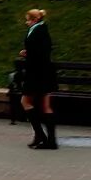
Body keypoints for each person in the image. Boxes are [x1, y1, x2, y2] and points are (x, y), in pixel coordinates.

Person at [19, 8, 58, 149]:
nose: (26, 22)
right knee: (46, 105)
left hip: (36, 73)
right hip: (46, 72)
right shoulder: (44, 30)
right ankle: (51, 141)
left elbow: (36, 55)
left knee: (25, 102)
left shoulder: (35, 32)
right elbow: (42, 51)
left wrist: (27, 55)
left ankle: (40, 135)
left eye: (28, 19)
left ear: (35, 20)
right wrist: (29, 52)